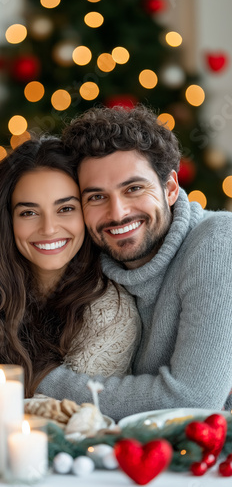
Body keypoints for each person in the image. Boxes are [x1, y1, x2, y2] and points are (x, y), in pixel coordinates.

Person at [37, 105, 232, 422]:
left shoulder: (218, 241)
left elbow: (194, 401)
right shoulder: (92, 264)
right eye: (97, 197)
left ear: (169, 189)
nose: (117, 213)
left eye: (134, 188)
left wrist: (41, 381)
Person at [0, 135, 140, 408]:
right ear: (7, 219)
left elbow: (71, 418)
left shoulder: (111, 311)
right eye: (29, 213)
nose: (49, 228)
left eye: (66, 209)